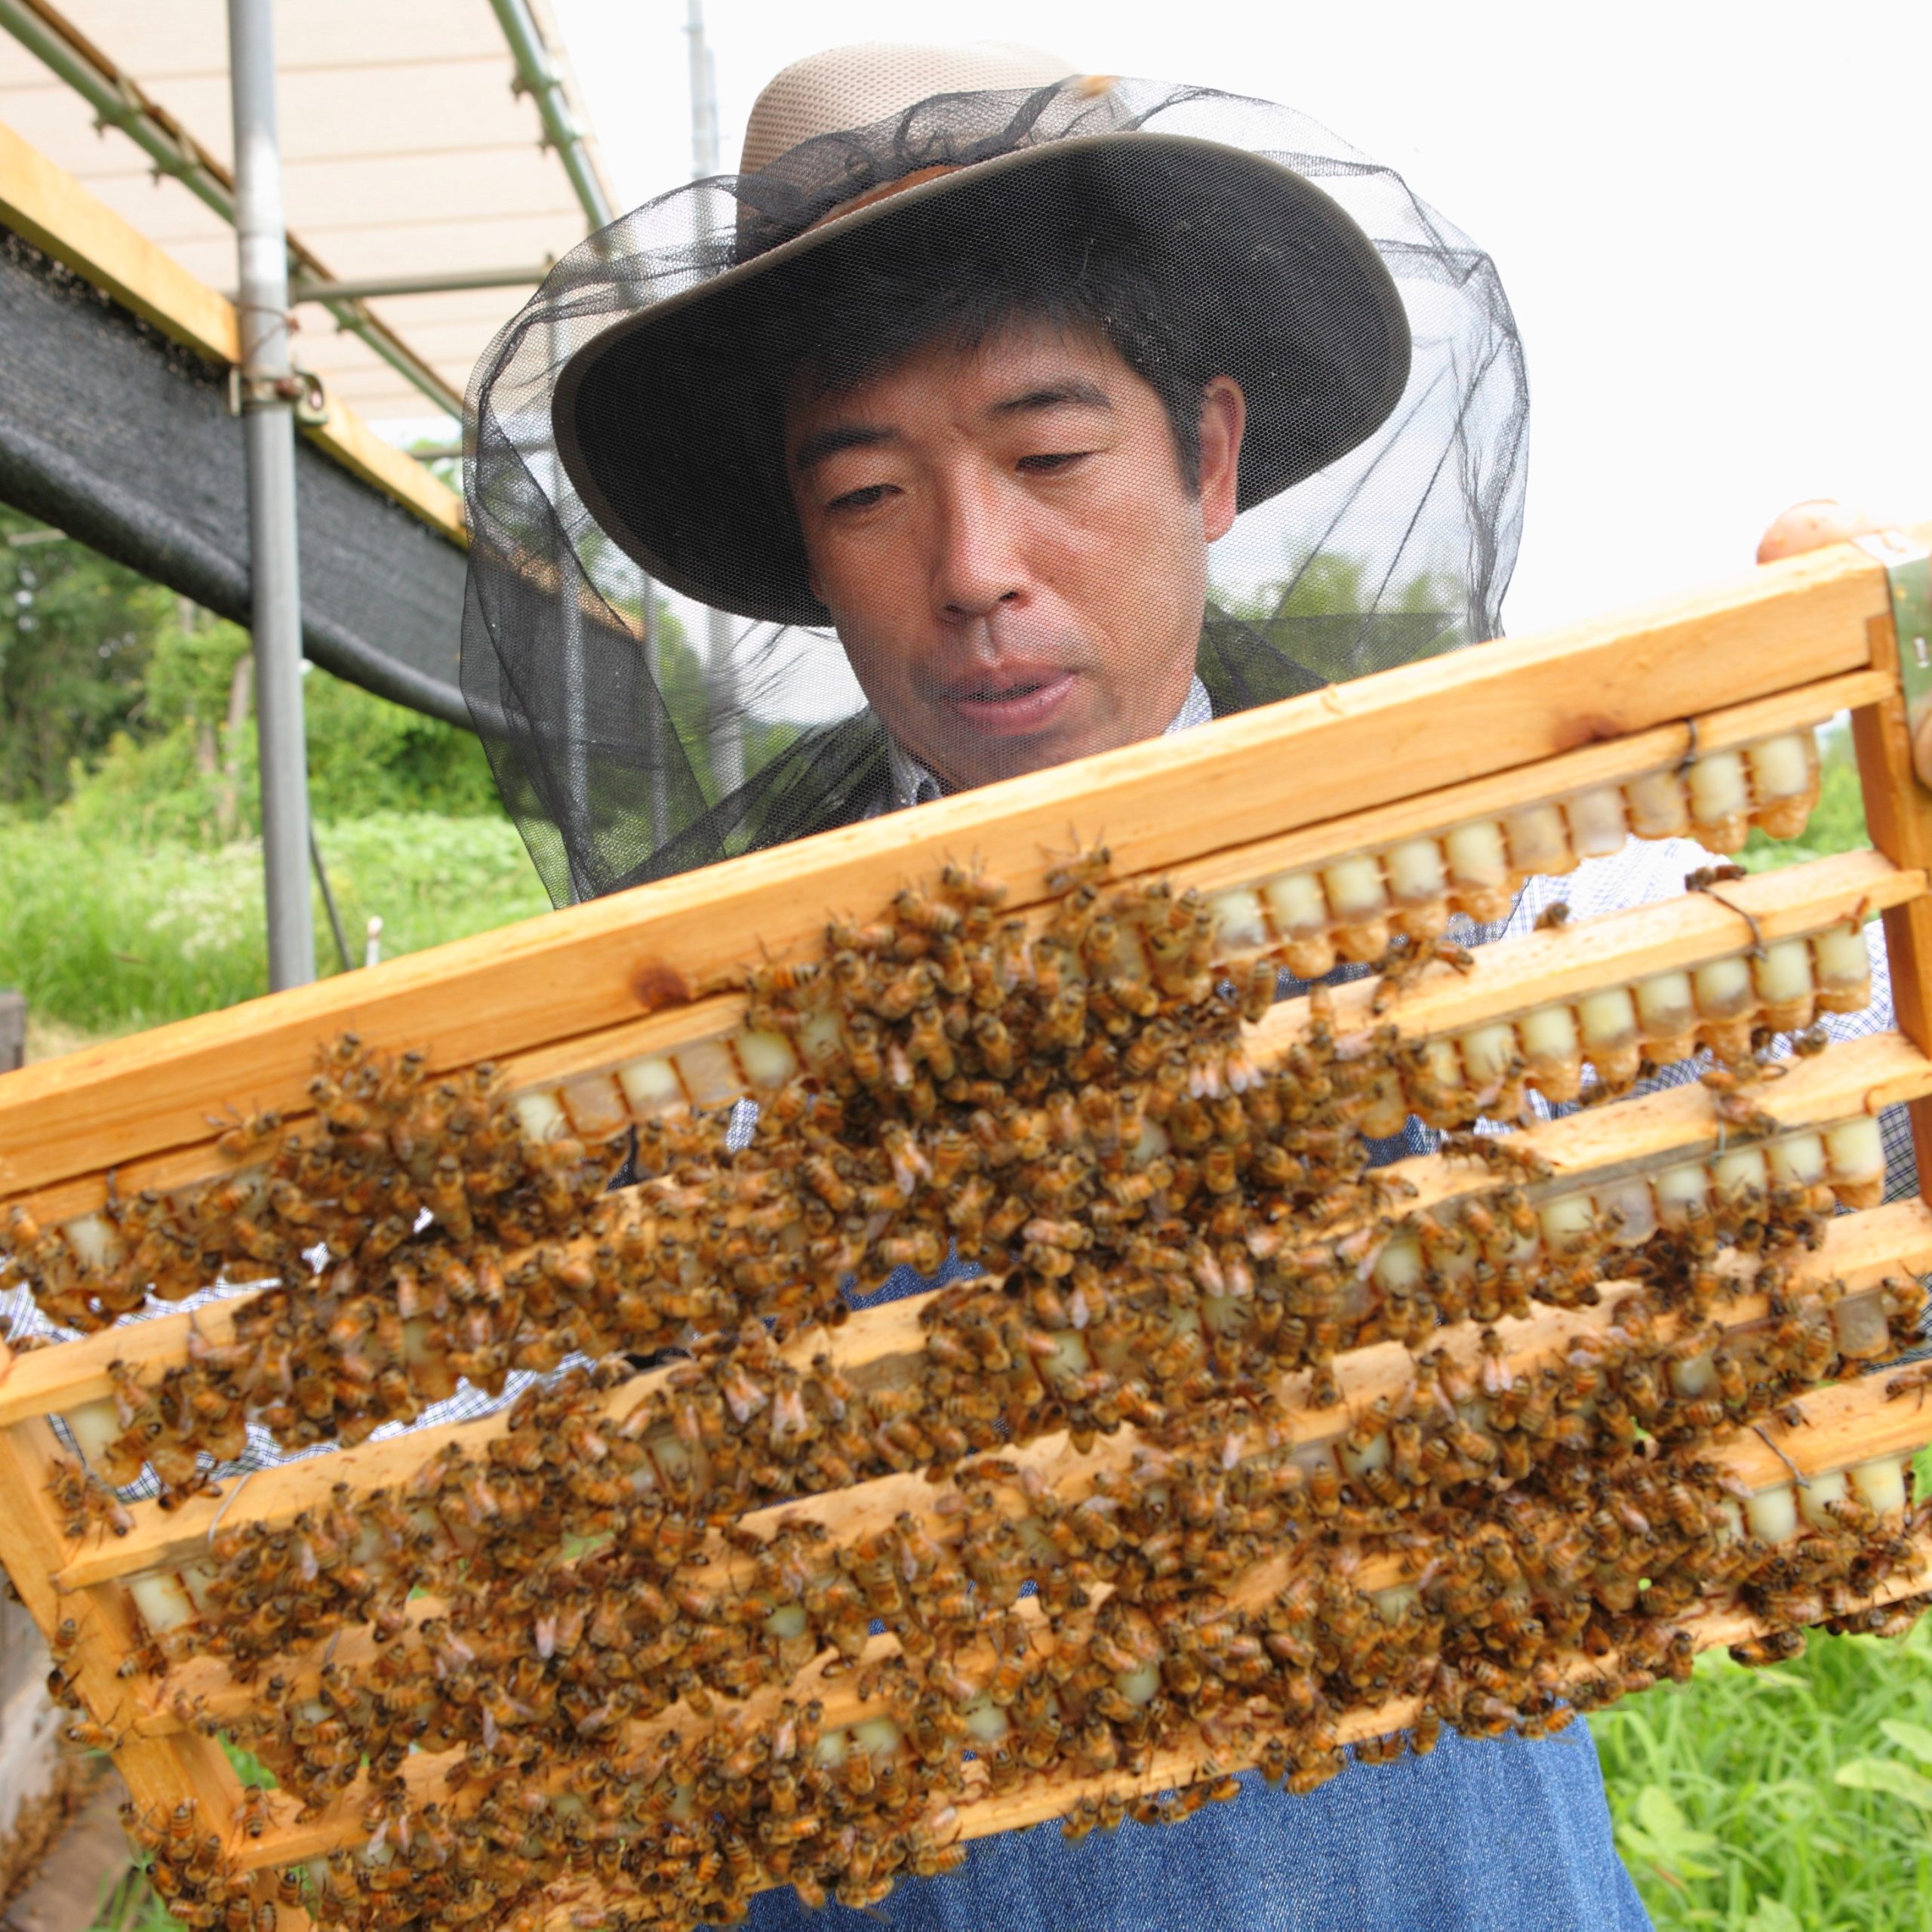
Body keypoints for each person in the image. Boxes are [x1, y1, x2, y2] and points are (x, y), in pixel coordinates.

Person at [460, 42, 1909, 1931]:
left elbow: (1882, 1247)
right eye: (872, 491)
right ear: (807, 557)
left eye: (1050, 456)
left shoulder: (1528, 909)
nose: (976, 568)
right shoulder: (661, 1059)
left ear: (1206, 453)